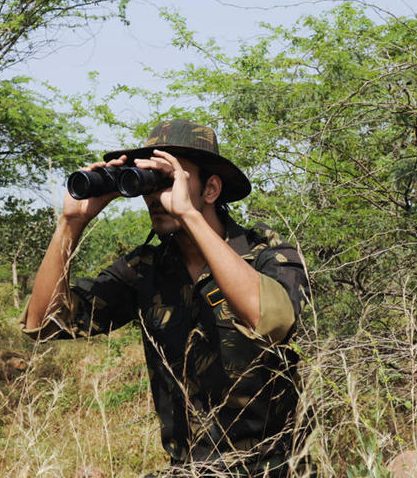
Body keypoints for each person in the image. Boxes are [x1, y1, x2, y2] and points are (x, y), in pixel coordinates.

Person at [21, 119, 309, 477]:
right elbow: (45, 324)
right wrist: (70, 223)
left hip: (275, 467)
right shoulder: (148, 268)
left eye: (168, 179)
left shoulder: (266, 253)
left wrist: (188, 215)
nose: (155, 196)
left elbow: (270, 320)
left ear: (211, 189)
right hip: (188, 469)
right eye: (148, 183)